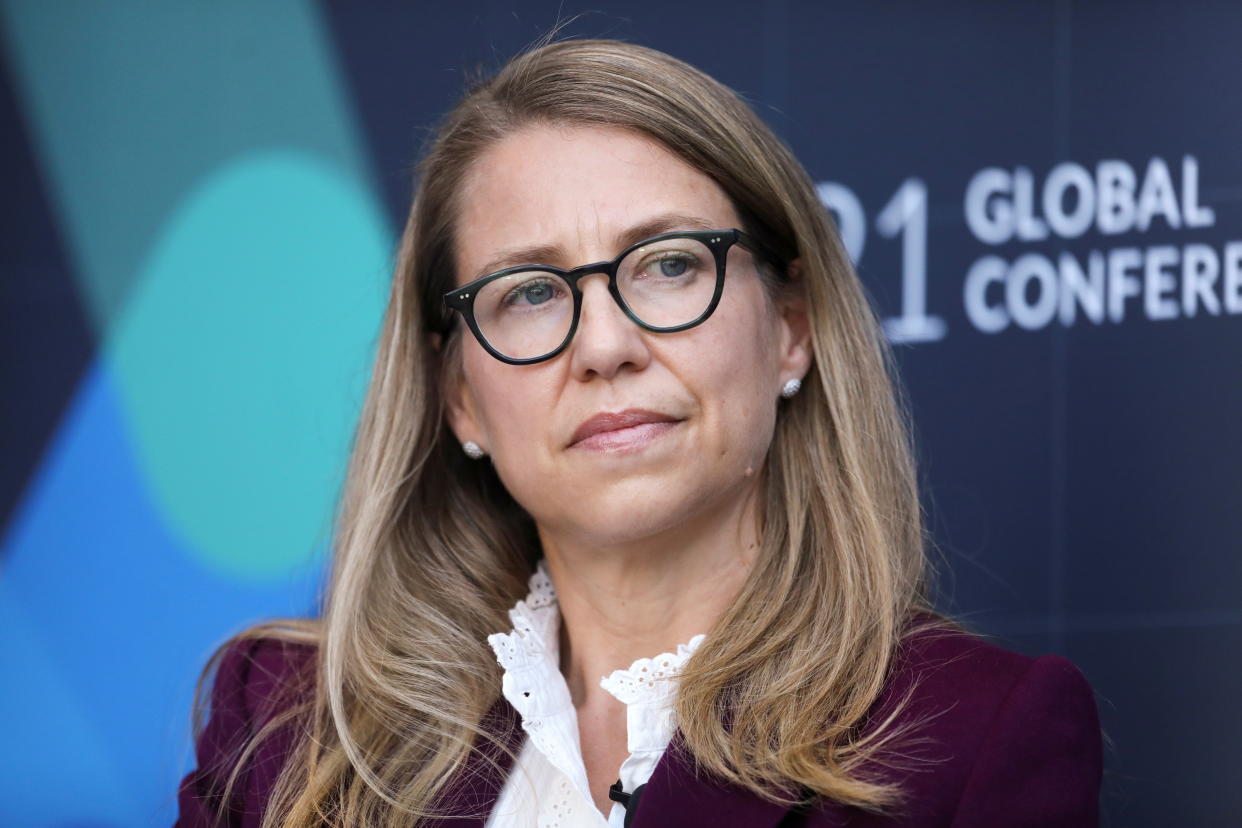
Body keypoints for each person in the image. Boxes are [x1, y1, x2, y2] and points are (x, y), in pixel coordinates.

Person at [174, 36, 1103, 828]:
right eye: (531, 293)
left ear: (790, 330)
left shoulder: (974, 738)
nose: (606, 346)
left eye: (666, 265)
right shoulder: (289, 727)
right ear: (458, 395)